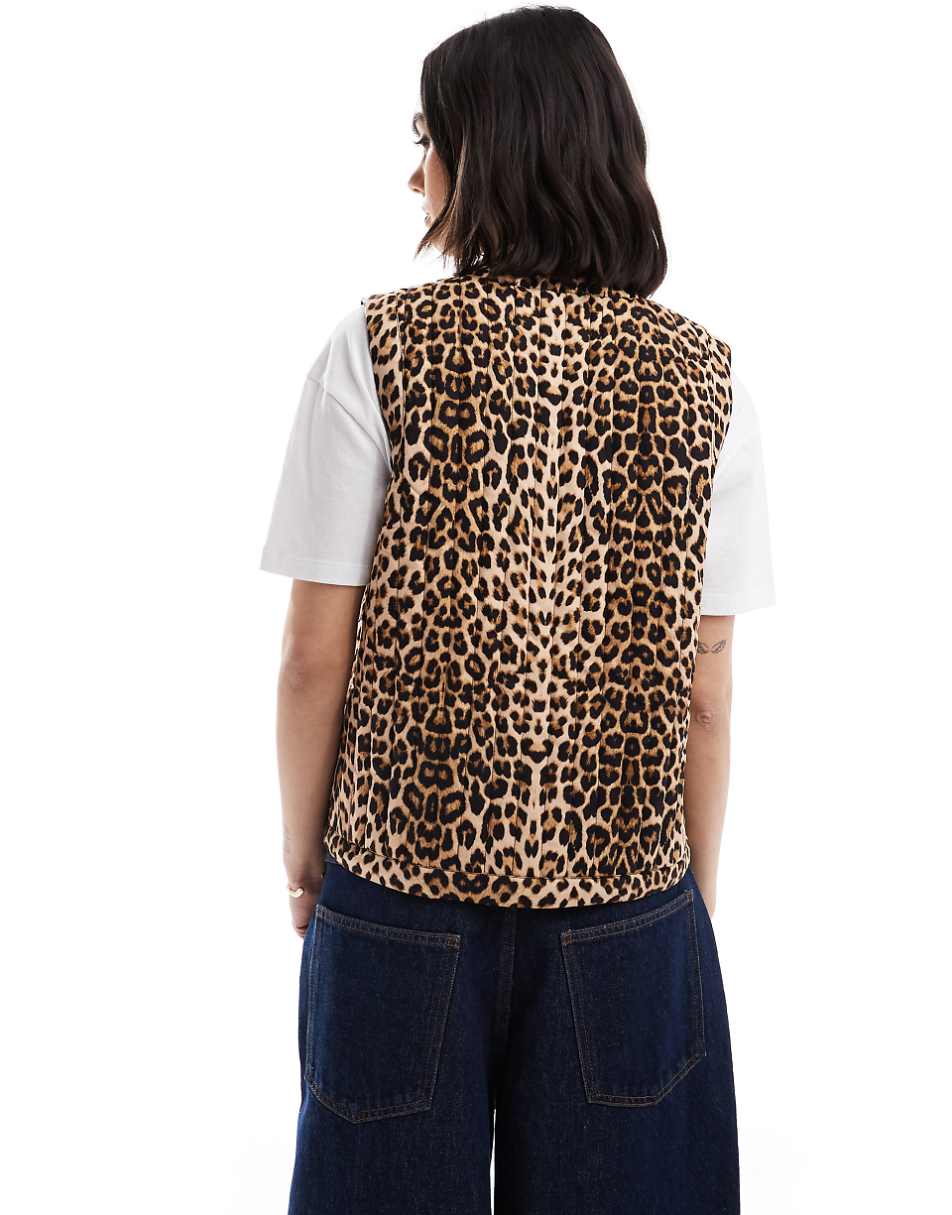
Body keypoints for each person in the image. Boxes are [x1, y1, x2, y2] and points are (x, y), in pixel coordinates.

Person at [260, 7, 775, 1214]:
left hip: (399, 890)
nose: (415, 174)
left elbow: (311, 656)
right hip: (623, 900)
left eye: (427, 139)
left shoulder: (375, 348)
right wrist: (685, 902)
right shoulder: (708, 379)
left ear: (488, 149)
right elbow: (705, 686)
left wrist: (304, 855)